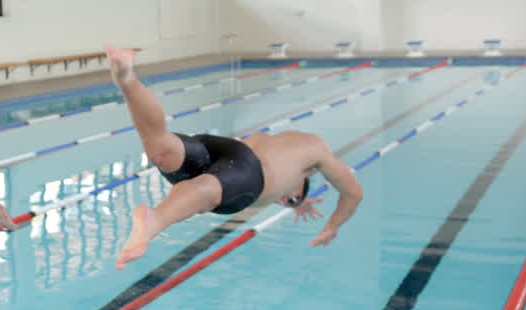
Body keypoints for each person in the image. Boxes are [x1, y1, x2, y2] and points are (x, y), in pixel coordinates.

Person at [103, 44, 363, 270]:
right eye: (293, 198)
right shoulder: (316, 152)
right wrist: (333, 225)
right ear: (305, 176)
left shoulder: (279, 144)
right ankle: (155, 220)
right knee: (205, 190)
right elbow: (353, 194)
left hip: (224, 152)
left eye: (287, 203)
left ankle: (127, 82)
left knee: (161, 148)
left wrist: (299, 203)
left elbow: (284, 183)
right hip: (245, 170)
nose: (284, 200)